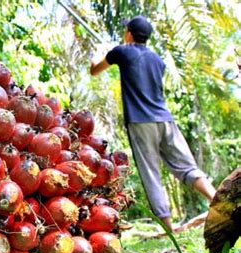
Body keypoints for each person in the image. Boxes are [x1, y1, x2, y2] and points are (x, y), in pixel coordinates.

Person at [89, 15, 217, 232]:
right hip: (165, 120)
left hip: (141, 122)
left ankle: (169, 230)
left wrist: (100, 51)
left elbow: (94, 70)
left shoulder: (121, 51)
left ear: (129, 33)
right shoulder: (158, 60)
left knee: (151, 173)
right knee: (187, 167)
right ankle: (218, 200)